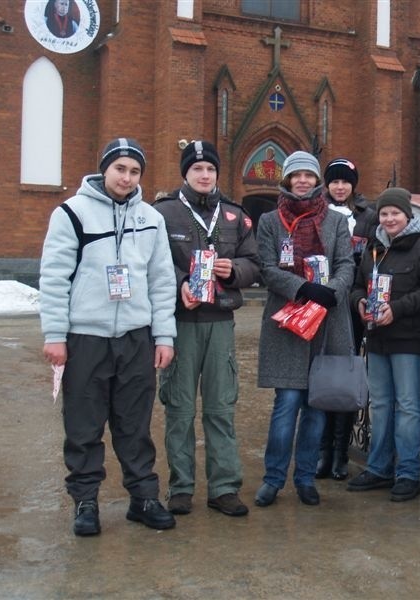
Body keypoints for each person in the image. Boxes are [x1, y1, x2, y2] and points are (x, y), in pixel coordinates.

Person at [39, 138, 177, 536]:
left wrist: (163, 335)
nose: (127, 178)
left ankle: (143, 497)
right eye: (120, 169)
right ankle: (85, 501)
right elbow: (54, 277)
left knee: (134, 423)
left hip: (136, 337)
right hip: (86, 337)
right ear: (105, 169)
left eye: (135, 171)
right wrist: (55, 335)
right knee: (84, 424)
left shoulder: (151, 218)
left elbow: (162, 280)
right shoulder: (71, 213)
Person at [154, 140, 261, 518]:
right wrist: (181, 281)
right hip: (180, 322)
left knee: (220, 408)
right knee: (179, 410)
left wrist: (236, 271)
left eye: (210, 170)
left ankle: (224, 487)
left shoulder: (235, 215)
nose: (204, 175)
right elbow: (152, 263)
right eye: (197, 169)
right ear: (185, 173)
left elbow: (255, 263)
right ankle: (181, 488)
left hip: (220, 321)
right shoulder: (163, 213)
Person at [254, 151, 354, 507]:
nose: (302, 181)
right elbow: (266, 267)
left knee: (316, 406)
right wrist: (300, 288)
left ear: (317, 181)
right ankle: (273, 478)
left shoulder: (336, 221)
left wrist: (331, 292)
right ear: (286, 179)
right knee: (287, 404)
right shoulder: (270, 220)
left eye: (308, 175)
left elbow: (346, 264)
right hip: (288, 320)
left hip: (326, 319)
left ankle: (306, 478)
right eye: (295, 175)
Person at [345, 188, 420, 501]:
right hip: (376, 337)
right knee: (382, 404)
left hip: (408, 339)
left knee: (408, 406)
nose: (389, 219)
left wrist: (397, 309)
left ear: (407, 216)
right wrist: (360, 301)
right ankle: (378, 468)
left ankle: (408, 473)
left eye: (395, 213)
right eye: (384, 214)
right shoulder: (374, 250)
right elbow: (358, 285)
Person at [316, 157, 377, 481]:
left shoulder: (368, 217)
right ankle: (321, 450)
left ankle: (340, 451)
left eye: (346, 181)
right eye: (335, 181)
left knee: (346, 376)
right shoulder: (317, 213)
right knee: (322, 374)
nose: (340, 187)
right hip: (322, 305)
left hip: (351, 307)